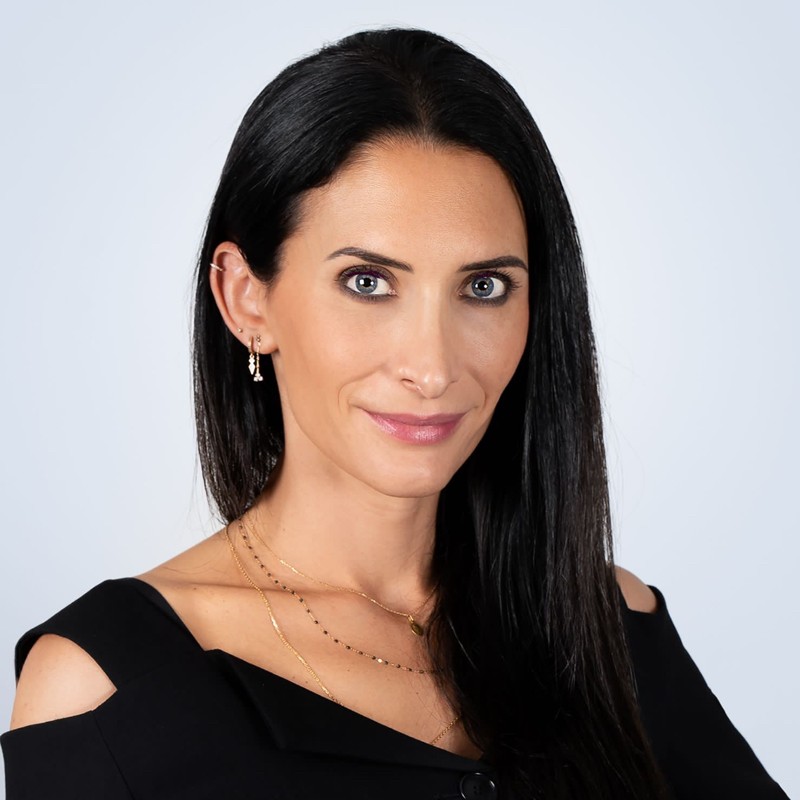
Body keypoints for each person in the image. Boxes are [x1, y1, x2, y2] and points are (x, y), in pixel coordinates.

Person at [0, 28, 788, 800]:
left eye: (483, 288)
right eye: (368, 283)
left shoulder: (606, 625)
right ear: (247, 299)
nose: (433, 366)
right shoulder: (103, 690)